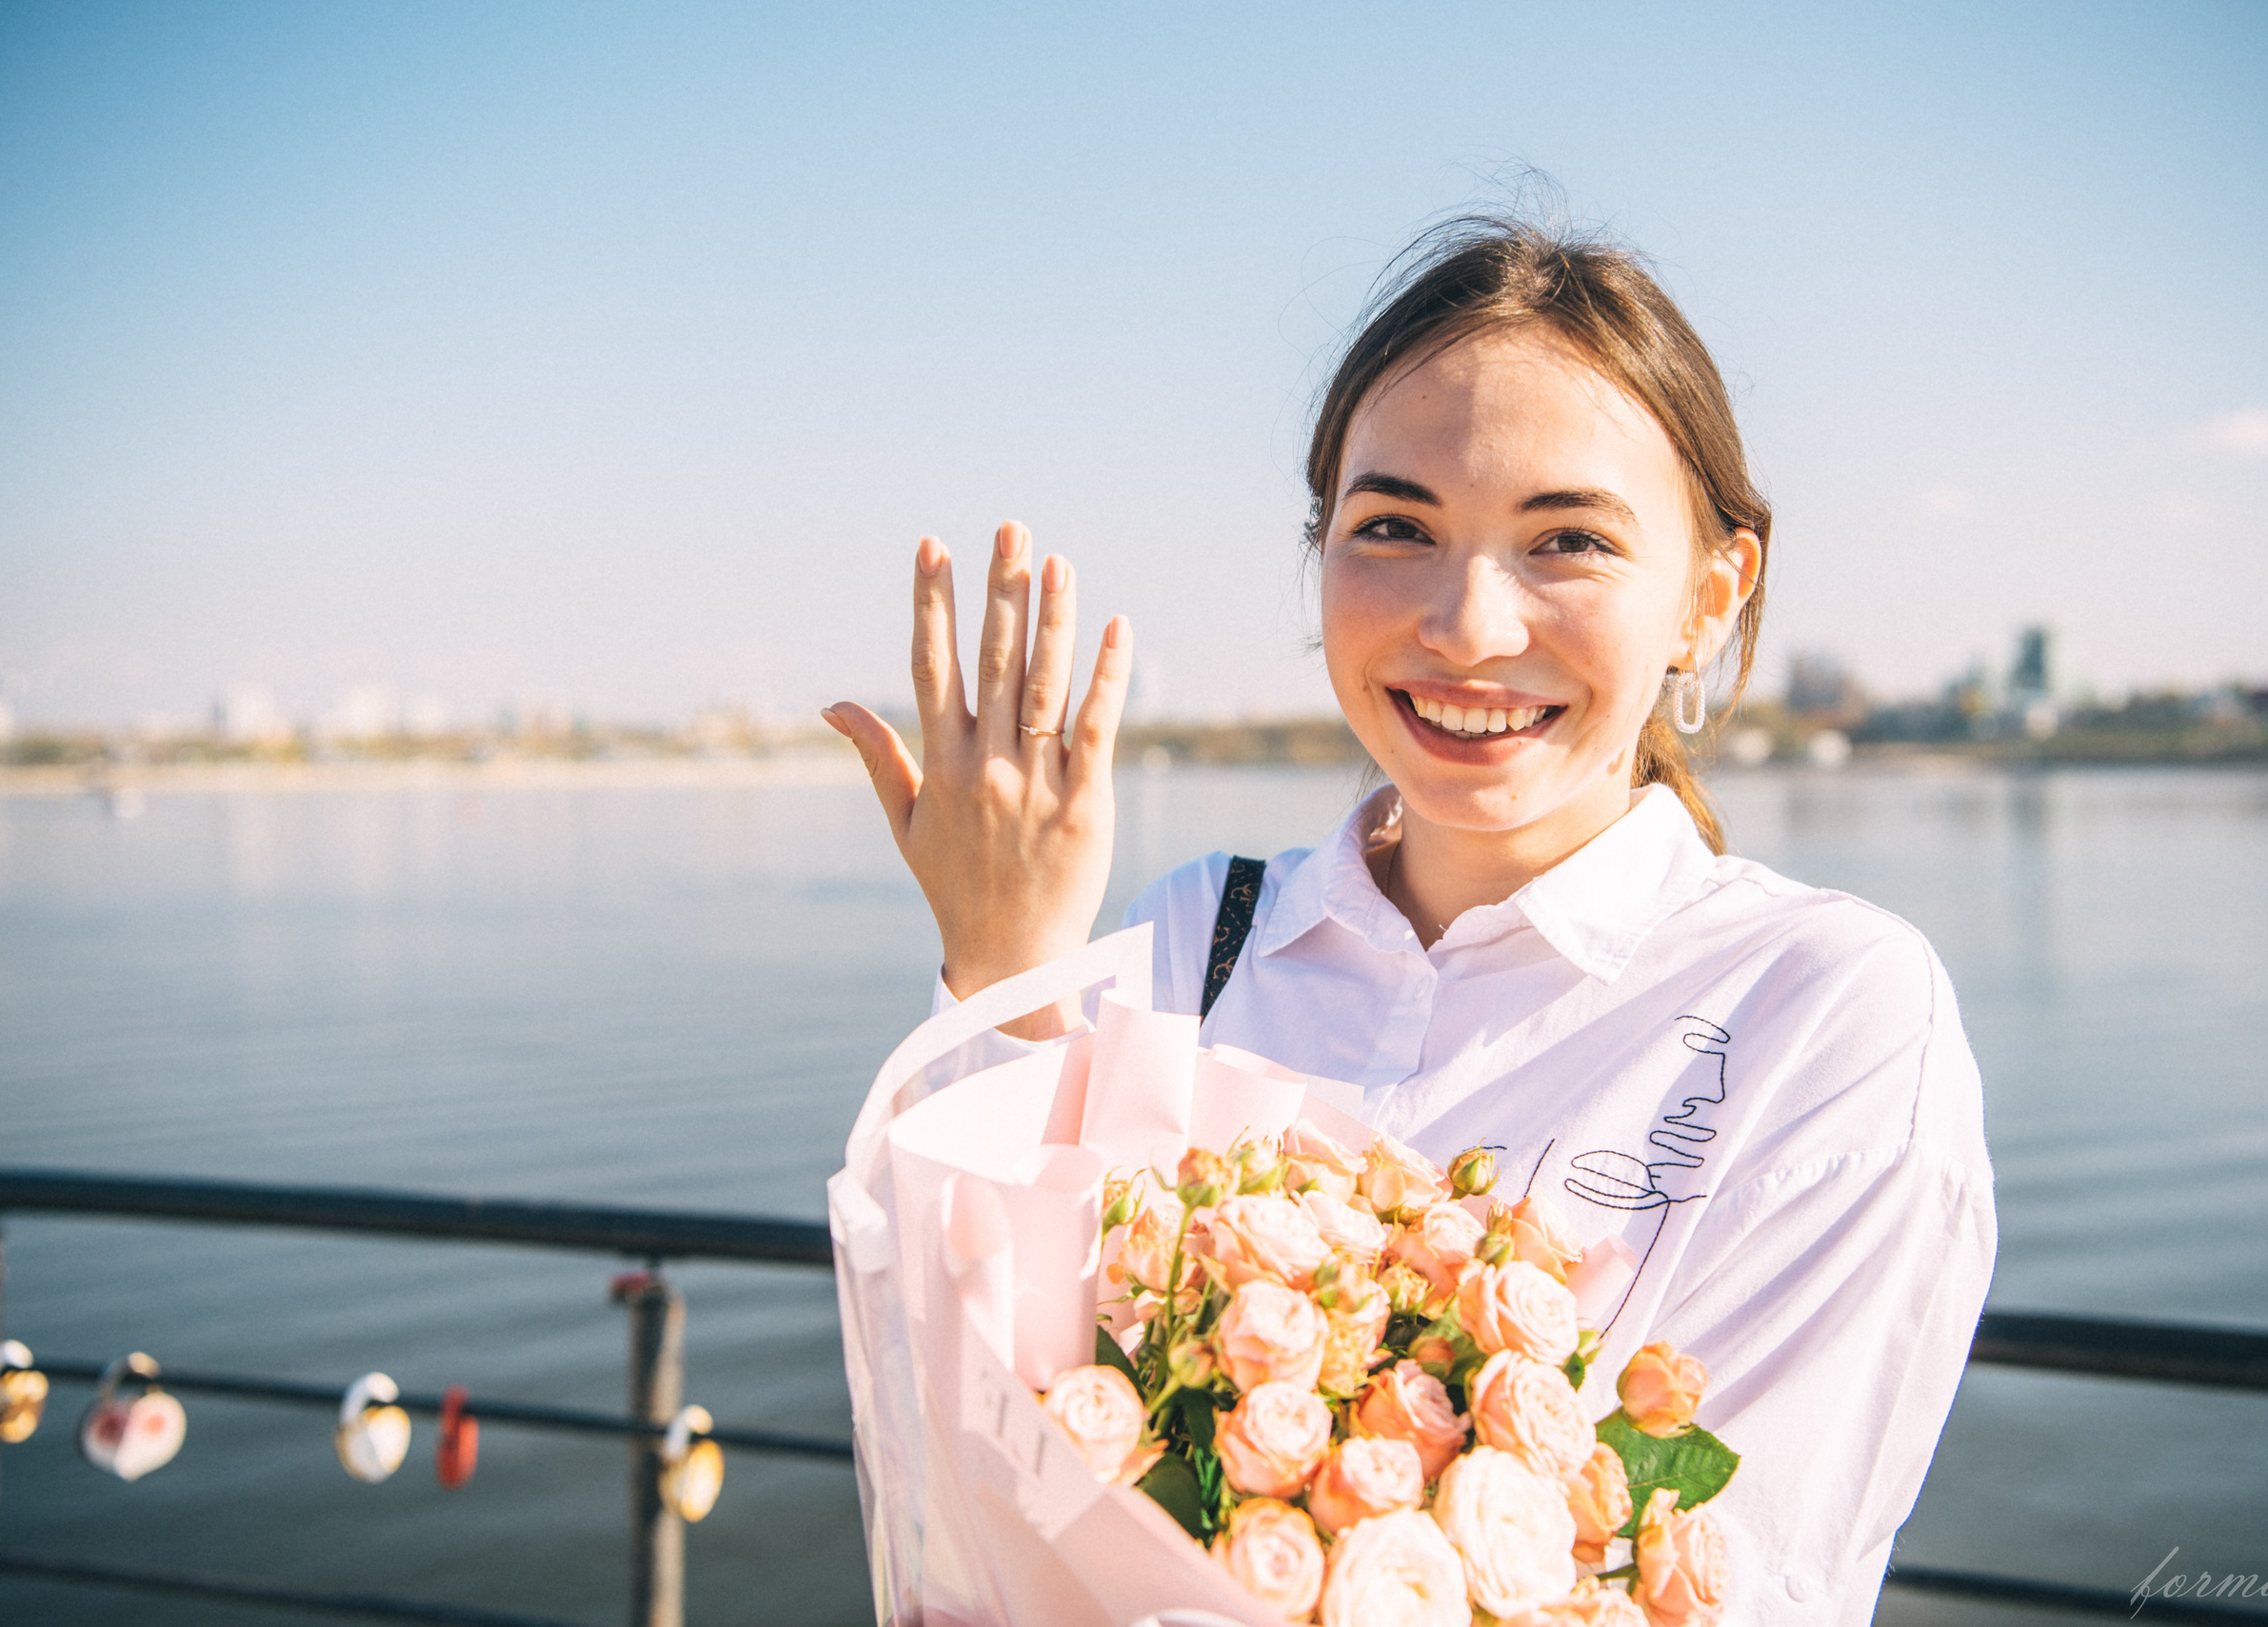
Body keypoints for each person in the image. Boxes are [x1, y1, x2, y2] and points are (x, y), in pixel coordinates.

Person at [822, 215, 1996, 1626]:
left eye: (1567, 539)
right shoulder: (1202, 935)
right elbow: (973, 1416)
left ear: (1709, 595)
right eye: (1396, 528)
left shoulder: (1824, 1008)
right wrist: (1009, 967)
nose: (1467, 623)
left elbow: (1744, 1577)